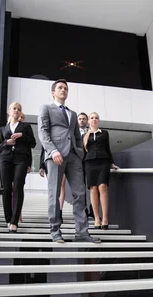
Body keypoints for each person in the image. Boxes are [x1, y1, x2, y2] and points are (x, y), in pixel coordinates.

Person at [37, 79, 100, 243]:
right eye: (60, 88)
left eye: (65, 88)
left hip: (73, 156)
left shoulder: (72, 114)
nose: (63, 90)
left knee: (79, 193)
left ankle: (82, 232)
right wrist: (52, 151)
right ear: (53, 92)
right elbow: (43, 132)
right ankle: (55, 230)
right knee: (54, 193)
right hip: (55, 155)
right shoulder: (46, 108)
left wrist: (79, 153)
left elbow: (77, 136)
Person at [0, 102, 36, 232]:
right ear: (9, 111)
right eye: (14, 108)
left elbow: (33, 143)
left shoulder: (25, 126)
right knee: (6, 189)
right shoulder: (3, 129)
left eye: (19, 109)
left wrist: (22, 136)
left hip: (21, 159)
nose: (16, 111)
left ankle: (14, 221)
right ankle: (8, 219)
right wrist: (6, 142)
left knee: (18, 187)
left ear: (20, 113)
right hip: (5, 159)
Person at [83, 112, 119, 229]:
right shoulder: (85, 135)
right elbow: (83, 152)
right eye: (92, 118)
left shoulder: (104, 133)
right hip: (89, 163)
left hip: (103, 162)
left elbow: (108, 148)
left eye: (96, 118)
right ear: (89, 121)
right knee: (93, 189)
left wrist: (112, 162)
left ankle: (105, 218)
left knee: (102, 186)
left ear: (99, 121)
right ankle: (97, 218)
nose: (94, 120)